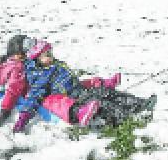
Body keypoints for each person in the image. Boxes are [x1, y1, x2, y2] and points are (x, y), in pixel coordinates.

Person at [13, 40, 155, 133]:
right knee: (102, 103)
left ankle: (139, 104)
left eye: (50, 52)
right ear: (37, 58)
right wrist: (23, 118)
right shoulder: (40, 75)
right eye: (46, 54)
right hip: (73, 96)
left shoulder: (53, 65)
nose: (51, 55)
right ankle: (128, 118)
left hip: (79, 89)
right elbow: (33, 96)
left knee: (105, 92)